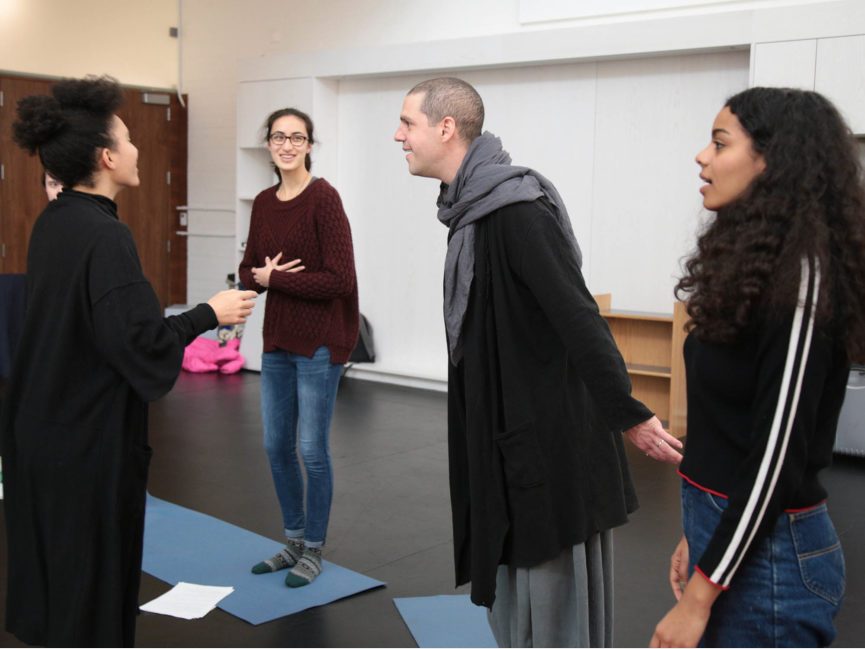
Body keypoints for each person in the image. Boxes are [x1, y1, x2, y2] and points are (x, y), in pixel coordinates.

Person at [393, 77, 683, 648]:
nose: (397, 135)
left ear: (445, 128)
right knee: (512, 597)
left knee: (551, 608)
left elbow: (578, 317)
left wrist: (628, 412)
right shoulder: (471, 213)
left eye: (407, 123)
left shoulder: (516, 213)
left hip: (547, 443)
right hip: (505, 433)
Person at [0, 75, 257, 647]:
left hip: (42, 427)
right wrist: (208, 313)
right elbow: (138, 342)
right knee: (91, 583)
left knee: (61, 578)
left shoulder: (54, 221)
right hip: (85, 439)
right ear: (108, 157)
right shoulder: (104, 236)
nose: (138, 148)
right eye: (128, 138)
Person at [650, 87, 865, 648]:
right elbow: (728, 429)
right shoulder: (754, 266)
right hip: (730, 539)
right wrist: (698, 538)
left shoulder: (803, 284)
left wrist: (700, 597)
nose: (702, 156)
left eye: (720, 143)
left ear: (773, 161)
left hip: (773, 567)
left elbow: (775, 460)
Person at [238, 107, 359, 588]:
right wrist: (263, 277)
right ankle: (291, 540)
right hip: (278, 338)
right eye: (278, 137)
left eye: (297, 138)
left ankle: (313, 548)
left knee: (311, 449)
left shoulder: (324, 199)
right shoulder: (264, 203)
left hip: (320, 341)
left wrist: (278, 280)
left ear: (310, 145)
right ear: (267, 144)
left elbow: (340, 280)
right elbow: (249, 270)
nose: (287, 145)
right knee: (274, 445)